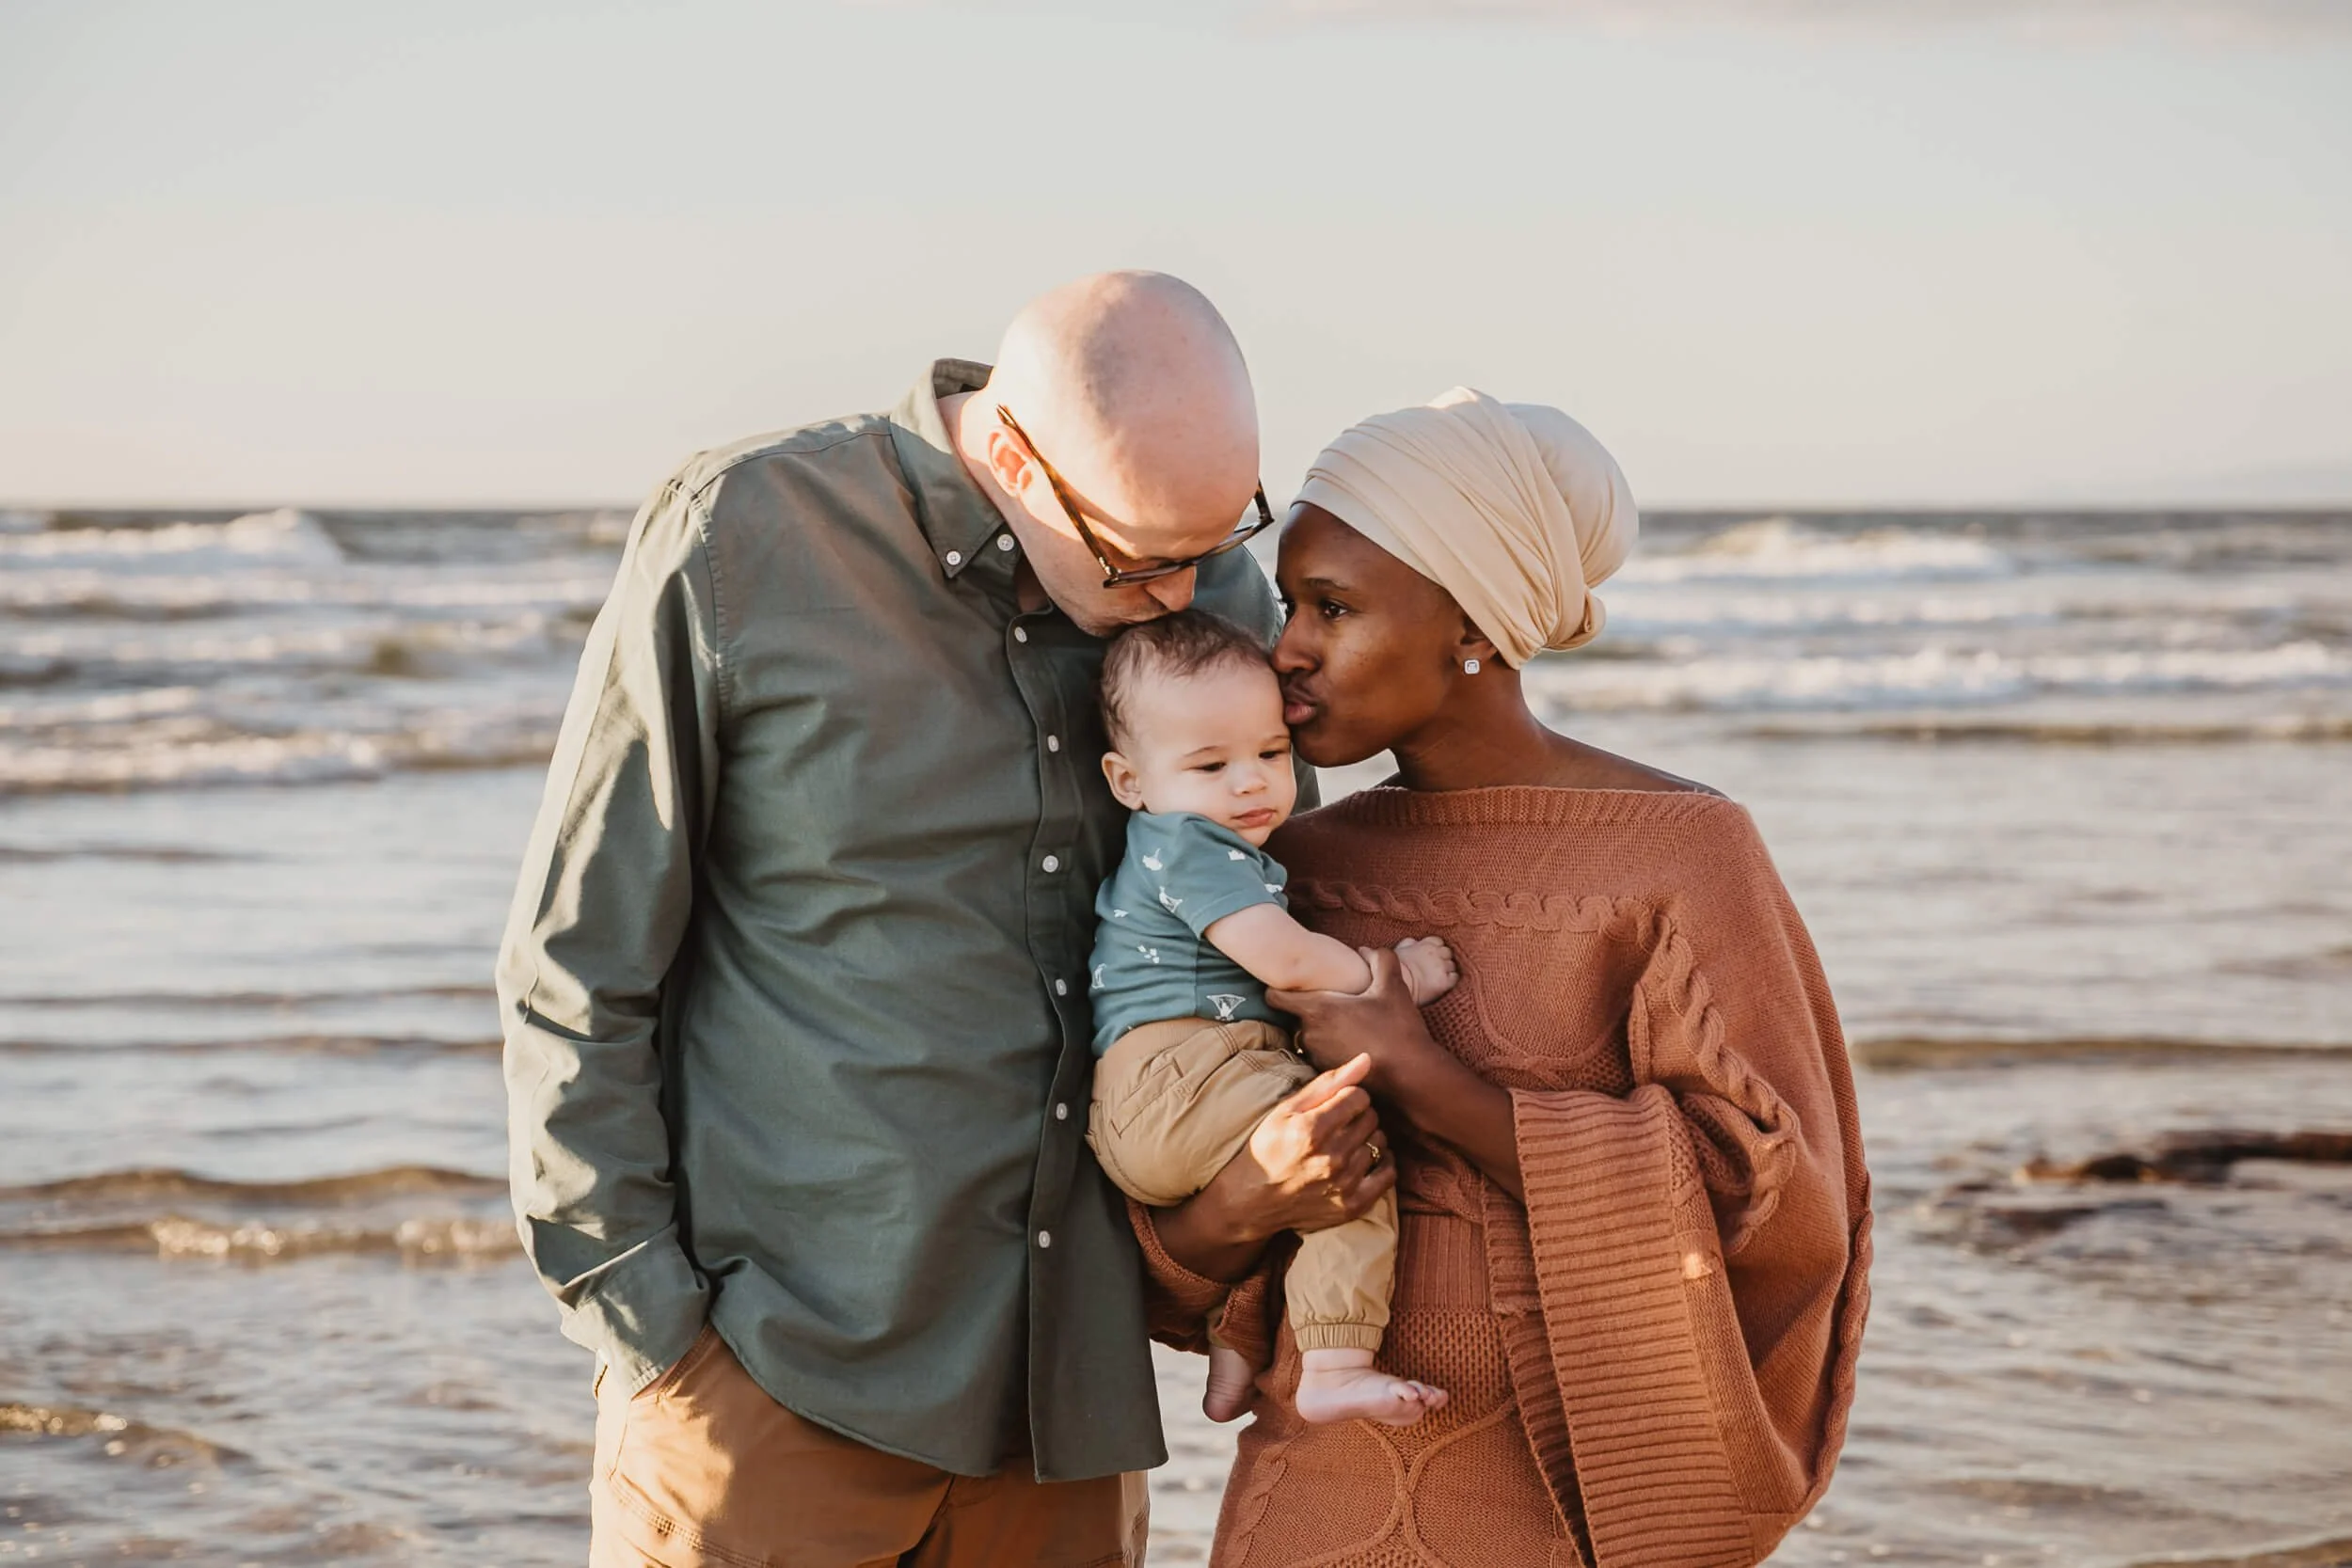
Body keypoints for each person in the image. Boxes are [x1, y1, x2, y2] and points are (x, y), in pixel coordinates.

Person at [495, 271, 1388, 1568]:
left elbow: (1255, 928)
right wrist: (651, 1332)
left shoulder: (1200, 601)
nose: (1186, 588)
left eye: (1219, 538)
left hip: (1063, 1418)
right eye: (1143, 555)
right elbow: (580, 959)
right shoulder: (743, 538)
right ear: (1015, 455)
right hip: (769, 1388)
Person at [1134, 388, 1873, 1567]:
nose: (1287, 649)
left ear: (1472, 624)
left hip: (1557, 1511)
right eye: (1287, 602)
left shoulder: (1679, 851)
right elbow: (1169, 1239)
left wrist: (1423, 1076)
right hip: (1300, 1506)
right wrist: (1246, 1202)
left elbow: (1779, 1196)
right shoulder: (1291, 871)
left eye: (1334, 606)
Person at [1083, 609, 1457, 1428]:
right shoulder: (1187, 844)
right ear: (1129, 782)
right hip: (1183, 1078)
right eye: (1211, 762)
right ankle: (1335, 1363)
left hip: (1162, 1095)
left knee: (1283, 1188)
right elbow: (1285, 959)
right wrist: (1393, 975)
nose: (1251, 781)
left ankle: (1236, 1339)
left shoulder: (1188, 842)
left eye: (1270, 753)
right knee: (1343, 1149)